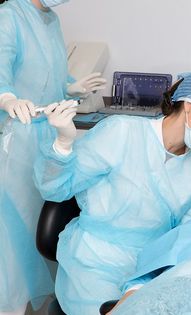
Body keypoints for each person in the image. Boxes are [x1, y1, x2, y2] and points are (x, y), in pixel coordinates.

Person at [33, 69, 191, 314]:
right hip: (94, 265)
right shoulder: (121, 131)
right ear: (190, 106)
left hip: (149, 270)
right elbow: (54, 188)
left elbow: (188, 239)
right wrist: (63, 145)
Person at [0, 0, 105, 314]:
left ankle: (26, 303)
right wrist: (7, 98)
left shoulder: (51, 19)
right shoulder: (9, 15)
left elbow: (49, 74)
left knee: (39, 224)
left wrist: (72, 87)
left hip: (46, 136)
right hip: (16, 139)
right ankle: (10, 305)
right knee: (11, 232)